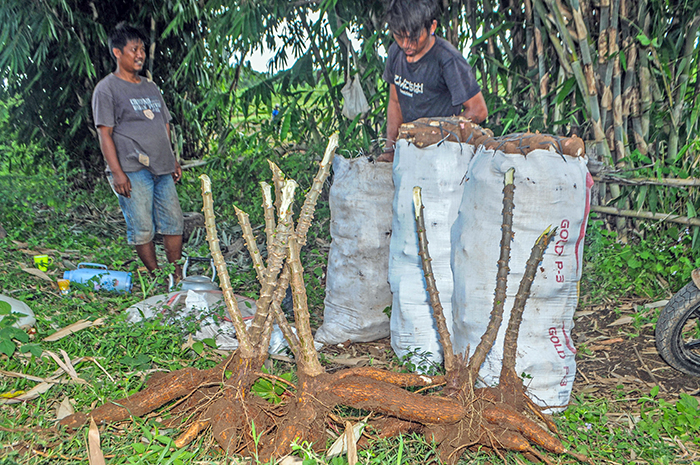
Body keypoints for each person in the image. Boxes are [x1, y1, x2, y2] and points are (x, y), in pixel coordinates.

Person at [92, 23, 183, 280]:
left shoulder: (150, 87)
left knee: (174, 223)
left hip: (162, 168)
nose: (140, 54)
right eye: (134, 49)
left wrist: (172, 158)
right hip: (132, 170)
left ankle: (176, 276)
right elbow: (105, 133)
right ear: (117, 52)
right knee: (143, 227)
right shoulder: (107, 89)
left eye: (142, 49)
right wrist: (117, 172)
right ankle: (157, 277)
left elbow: (163, 124)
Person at [377, 0, 488, 162]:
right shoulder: (395, 52)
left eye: (413, 38)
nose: (406, 45)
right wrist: (390, 149)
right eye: (399, 36)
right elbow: (395, 102)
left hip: (445, 155)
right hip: (411, 151)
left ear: (432, 27)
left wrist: (434, 134)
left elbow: (479, 111)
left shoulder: (448, 60)